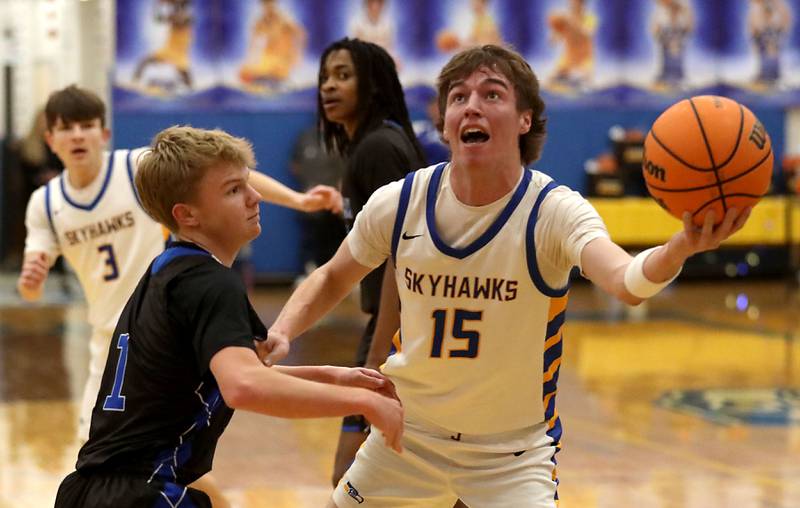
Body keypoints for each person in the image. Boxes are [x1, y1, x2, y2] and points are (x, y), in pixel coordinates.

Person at [263, 44, 751, 507]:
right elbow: (331, 277)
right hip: (407, 436)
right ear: (445, 123)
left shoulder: (553, 211)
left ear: (524, 120)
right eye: (458, 98)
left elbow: (626, 281)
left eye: (491, 94)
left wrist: (681, 246)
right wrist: (282, 331)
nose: (471, 106)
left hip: (511, 456)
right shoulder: (401, 201)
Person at [16, 84, 341, 507]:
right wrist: (31, 279)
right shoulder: (44, 203)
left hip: (168, 329)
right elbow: (31, 285)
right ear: (50, 140)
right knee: (128, 467)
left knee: (149, 465)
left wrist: (297, 201)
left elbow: (223, 172)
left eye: (87, 126)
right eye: (67, 128)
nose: (78, 136)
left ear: (104, 133)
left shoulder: (134, 167)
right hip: (114, 345)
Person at [52, 125, 403, 508]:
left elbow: (219, 382)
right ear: (187, 215)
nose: (255, 197)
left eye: (247, 184)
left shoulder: (168, 270)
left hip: (91, 491)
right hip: (142, 493)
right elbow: (243, 386)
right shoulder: (209, 282)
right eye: (234, 190)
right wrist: (366, 404)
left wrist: (335, 377)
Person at [317, 37, 426, 486]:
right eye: (325, 76)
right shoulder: (369, 147)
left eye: (343, 75)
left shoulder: (379, 149)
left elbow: (405, 257)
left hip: (402, 328)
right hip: (396, 324)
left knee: (351, 477)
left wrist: (380, 357)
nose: (328, 86)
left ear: (374, 84)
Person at [291, 124, 347, 273]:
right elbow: (294, 165)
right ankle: (307, 272)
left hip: (338, 204)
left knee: (341, 240)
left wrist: (342, 199)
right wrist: (301, 199)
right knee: (311, 241)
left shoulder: (343, 140)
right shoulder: (306, 138)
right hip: (311, 203)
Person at [238, 0, 307, 91]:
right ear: (262, 5)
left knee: (271, 69)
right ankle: (264, 82)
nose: (268, 7)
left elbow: (301, 34)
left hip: (282, 59)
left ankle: (274, 83)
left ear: (275, 4)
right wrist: (250, 62)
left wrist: (298, 55)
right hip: (268, 59)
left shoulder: (284, 19)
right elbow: (252, 45)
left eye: (270, 4)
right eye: (265, 4)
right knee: (243, 71)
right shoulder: (260, 22)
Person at [132, 0, 194, 92]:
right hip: (169, 48)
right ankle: (134, 82)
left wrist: (167, 5)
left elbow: (177, 20)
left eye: (178, 4)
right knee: (144, 62)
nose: (175, 6)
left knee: (184, 73)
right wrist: (157, 5)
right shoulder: (177, 14)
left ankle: (191, 89)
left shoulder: (186, 16)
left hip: (179, 50)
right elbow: (157, 19)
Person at [547, 0, 597, 90]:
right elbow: (553, 42)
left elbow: (587, 33)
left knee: (581, 81)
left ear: (582, 4)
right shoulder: (566, 19)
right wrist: (555, 28)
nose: (573, 5)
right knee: (552, 82)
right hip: (568, 61)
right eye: (572, 2)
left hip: (584, 61)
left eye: (576, 3)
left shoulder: (589, 18)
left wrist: (571, 22)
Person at [748, 0, 792, 88]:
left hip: (772, 30)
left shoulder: (777, 6)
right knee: (763, 52)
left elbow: (784, 17)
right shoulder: (757, 8)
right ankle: (767, 74)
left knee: (771, 52)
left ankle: (773, 75)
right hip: (762, 31)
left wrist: (779, 30)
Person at [651, 0, 694, 89]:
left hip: (678, 35)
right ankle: (666, 79)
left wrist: (678, 39)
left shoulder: (684, 10)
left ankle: (678, 79)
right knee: (667, 58)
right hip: (666, 36)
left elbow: (689, 26)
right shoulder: (661, 11)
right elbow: (655, 28)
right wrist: (659, 35)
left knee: (676, 58)